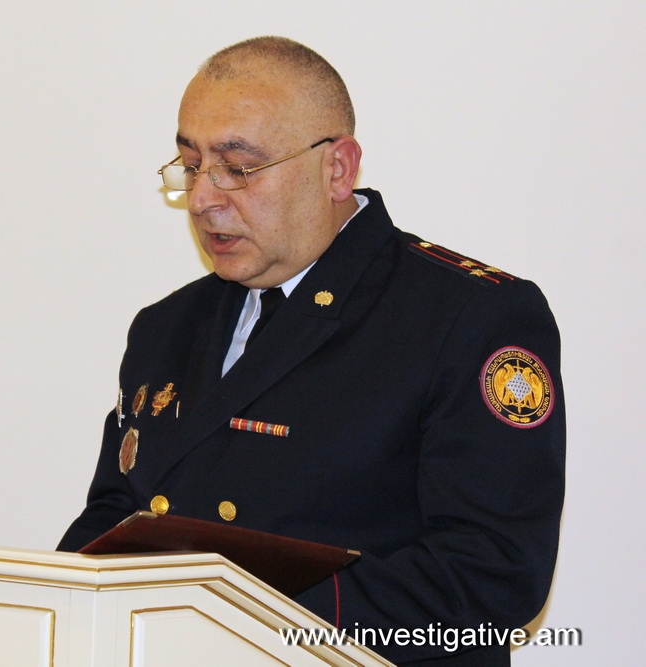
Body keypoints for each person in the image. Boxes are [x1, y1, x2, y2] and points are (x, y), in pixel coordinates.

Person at [58, 36, 565, 666]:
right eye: (191, 165)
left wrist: (243, 625)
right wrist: (52, 605)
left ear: (338, 169)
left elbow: (494, 573)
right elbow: (117, 516)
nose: (203, 198)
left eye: (237, 168)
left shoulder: (465, 316)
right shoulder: (166, 326)